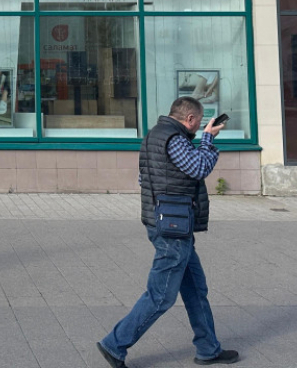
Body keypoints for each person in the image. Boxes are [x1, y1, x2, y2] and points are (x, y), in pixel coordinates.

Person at [97, 97, 238, 367]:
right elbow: (199, 168)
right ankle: (114, 344)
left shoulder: (153, 136)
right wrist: (208, 139)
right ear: (190, 119)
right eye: (198, 122)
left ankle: (208, 349)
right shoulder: (174, 139)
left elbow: (144, 178)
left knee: (196, 290)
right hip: (172, 227)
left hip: (169, 222)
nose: (198, 127)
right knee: (160, 295)